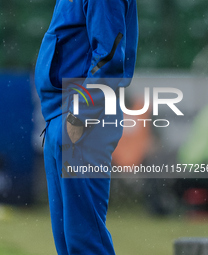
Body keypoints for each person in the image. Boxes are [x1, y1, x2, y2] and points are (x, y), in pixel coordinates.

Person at [34, 0, 138, 254]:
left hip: (81, 117)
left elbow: (110, 57)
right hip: (60, 115)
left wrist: (79, 114)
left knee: (85, 242)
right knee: (70, 243)